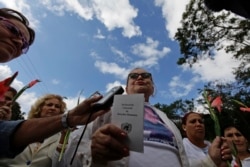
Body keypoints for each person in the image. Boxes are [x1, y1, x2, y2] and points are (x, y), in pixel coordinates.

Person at [54, 67, 232, 167]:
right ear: (126, 86)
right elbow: (69, 157)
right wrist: (96, 158)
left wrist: (211, 161)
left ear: (153, 88)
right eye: (134, 76)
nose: (140, 77)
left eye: (146, 76)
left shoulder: (167, 121)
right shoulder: (106, 109)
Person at [0, 8, 108, 158]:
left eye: (24, 44)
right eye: (12, 29)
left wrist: (68, 120)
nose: (19, 41)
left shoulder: (63, 133)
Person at [0, 94, 69, 166]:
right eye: (49, 105)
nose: (53, 108)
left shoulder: (62, 138)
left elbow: (60, 164)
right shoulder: (20, 128)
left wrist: (64, 138)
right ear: (40, 108)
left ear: (60, 112)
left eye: (57, 106)